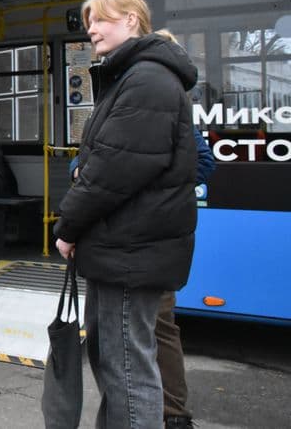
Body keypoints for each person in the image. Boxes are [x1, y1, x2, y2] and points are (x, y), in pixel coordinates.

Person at [53, 0, 198, 427]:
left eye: (99, 20)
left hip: (128, 250)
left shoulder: (147, 80)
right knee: (115, 361)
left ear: (132, 20)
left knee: (127, 370)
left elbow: (112, 171)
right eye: (88, 21)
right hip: (122, 248)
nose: (91, 29)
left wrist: (68, 226)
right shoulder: (136, 77)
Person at [154, 28, 217, 429]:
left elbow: (204, 162)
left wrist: (154, 184)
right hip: (133, 239)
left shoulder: (171, 104)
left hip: (157, 236)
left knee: (158, 325)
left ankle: (173, 413)